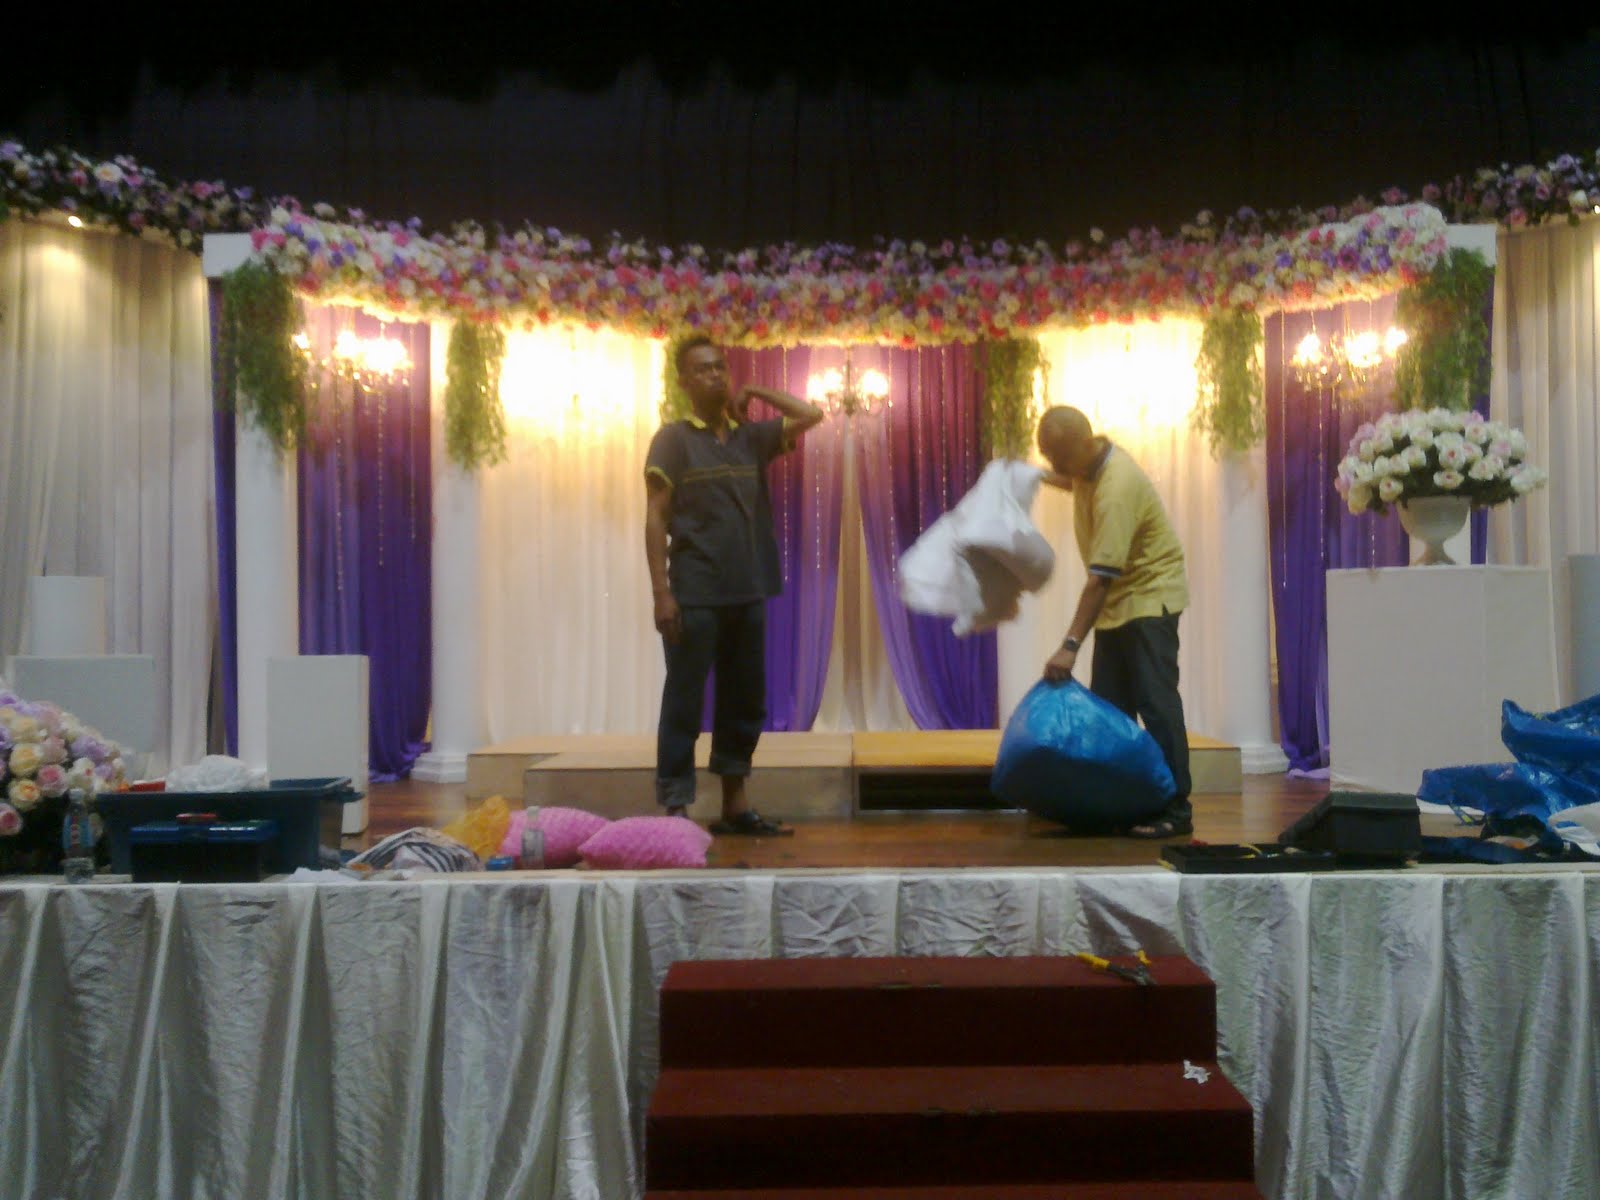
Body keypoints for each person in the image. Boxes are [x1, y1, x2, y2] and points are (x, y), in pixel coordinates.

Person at [644, 336, 825, 835]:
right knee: (684, 701)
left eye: (720, 368)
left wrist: (757, 390)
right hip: (695, 593)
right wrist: (661, 592)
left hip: (749, 589)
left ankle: (734, 806)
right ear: (683, 381)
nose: (714, 376)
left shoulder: (751, 438)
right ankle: (676, 810)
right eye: (702, 370)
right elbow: (655, 516)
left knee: (744, 702)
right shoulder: (673, 440)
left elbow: (812, 414)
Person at [1035, 406, 1193, 839]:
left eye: (1060, 459)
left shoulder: (1117, 487)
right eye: (1049, 459)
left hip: (1150, 598)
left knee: (1156, 706)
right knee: (1110, 709)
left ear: (1084, 444)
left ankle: (1176, 809)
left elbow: (1100, 580)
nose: (1056, 468)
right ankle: (1124, 804)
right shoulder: (1088, 465)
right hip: (1119, 602)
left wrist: (1069, 645)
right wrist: (1033, 476)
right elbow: (1071, 479)